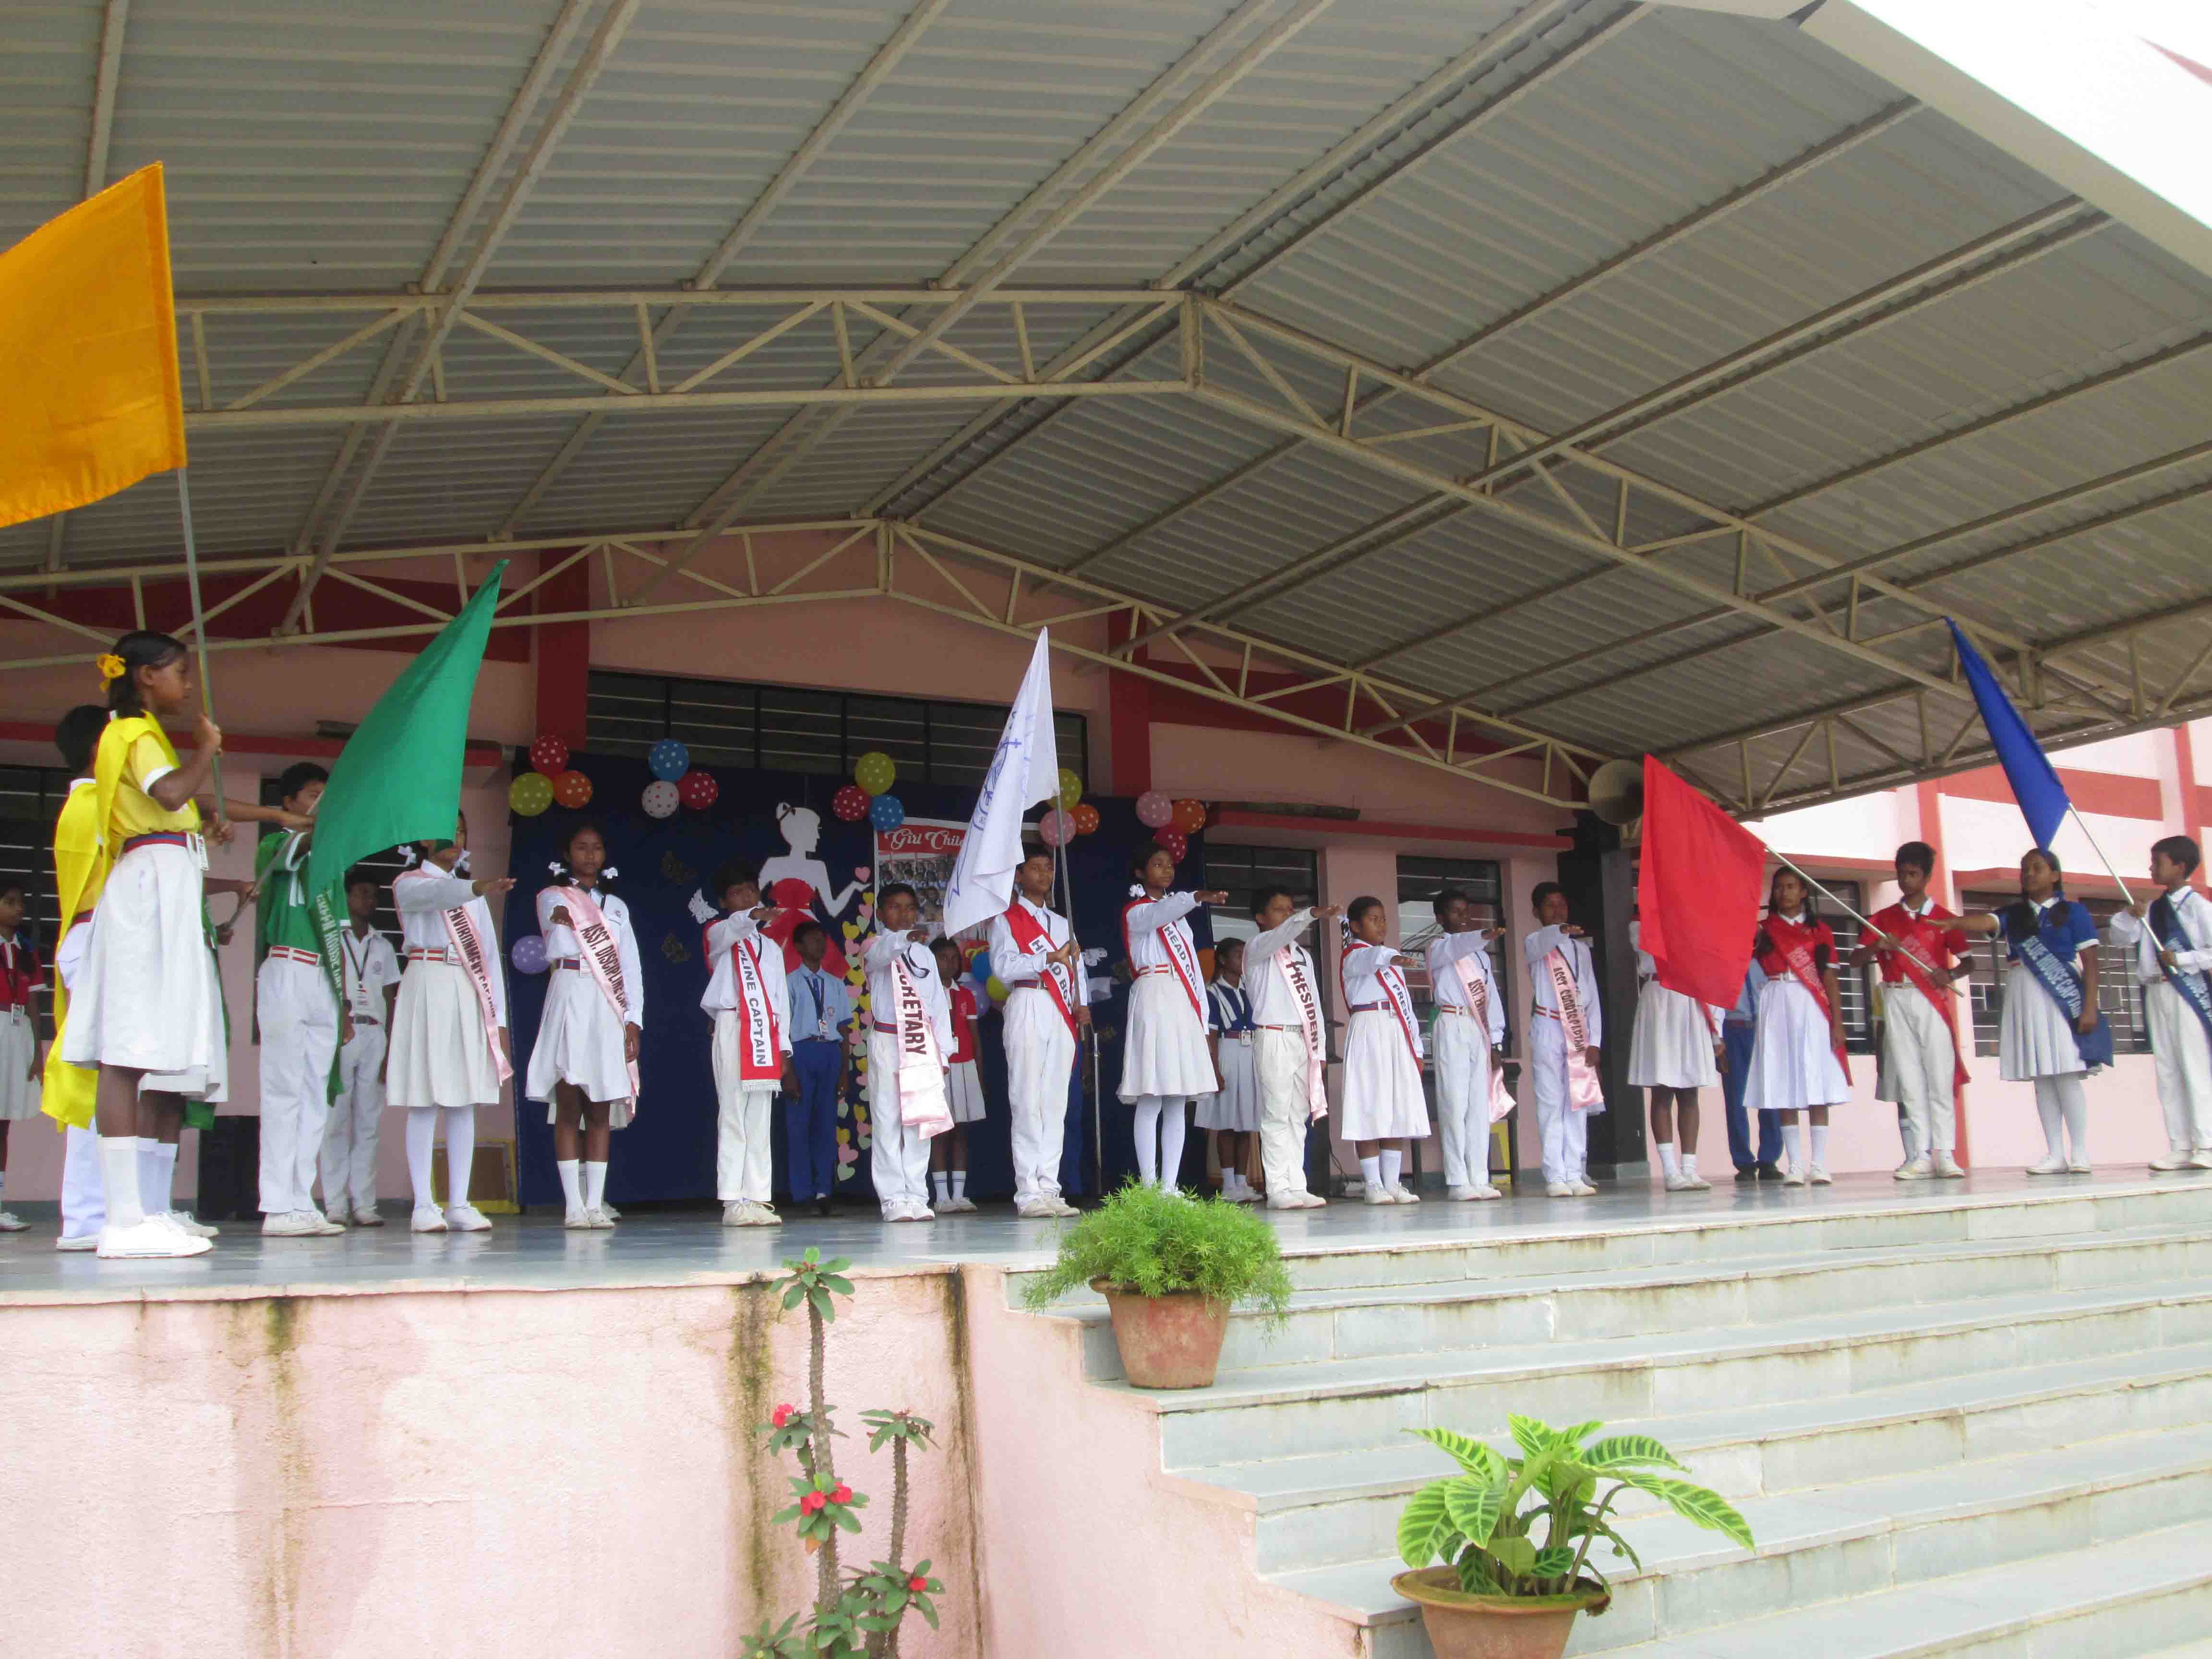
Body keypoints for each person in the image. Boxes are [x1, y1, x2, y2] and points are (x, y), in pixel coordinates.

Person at [60, 633, 302, 1258]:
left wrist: (204, 823)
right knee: (124, 1052)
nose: (187, 684)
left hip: (163, 886)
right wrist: (206, 751)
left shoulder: (143, 737)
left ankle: (142, 1212)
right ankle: (121, 1220)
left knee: (150, 1054)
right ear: (146, 676)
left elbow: (175, 806)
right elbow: (170, 795)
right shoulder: (133, 731)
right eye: (178, 672)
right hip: (146, 891)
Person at [389, 814, 515, 1231]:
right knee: (424, 1097)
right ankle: (423, 1205)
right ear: (425, 839)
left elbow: (490, 959)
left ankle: (459, 1203)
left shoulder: (474, 894)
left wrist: (498, 1020)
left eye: (461, 830)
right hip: (427, 982)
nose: (456, 837)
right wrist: (477, 887)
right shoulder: (409, 882)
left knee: (464, 1098)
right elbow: (437, 895)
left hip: (467, 987)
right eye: (446, 829)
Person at [1954, 849, 2110, 1174]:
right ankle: (2055, 1154)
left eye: (2037, 868)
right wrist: (1955, 921)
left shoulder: (2074, 912)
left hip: (2063, 996)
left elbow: (2092, 964)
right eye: (2024, 869)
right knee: (2043, 1077)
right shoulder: (2015, 914)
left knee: (2066, 1074)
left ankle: (2080, 1152)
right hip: (2025, 992)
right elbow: (1987, 923)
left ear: (2055, 875)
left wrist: (2090, 1007)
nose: (2028, 874)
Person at [530, 822, 643, 1229]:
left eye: (596, 847)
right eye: (581, 847)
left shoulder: (617, 908)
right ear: (567, 854)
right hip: (570, 993)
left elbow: (630, 968)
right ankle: (573, 1207)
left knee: (600, 1107)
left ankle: (595, 1205)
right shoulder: (553, 896)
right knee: (569, 1104)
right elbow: (555, 931)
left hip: (607, 1003)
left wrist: (633, 1021)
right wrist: (565, 918)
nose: (590, 854)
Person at [253, 762, 346, 1236]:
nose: (322, 804)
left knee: (315, 1093)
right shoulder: (275, 845)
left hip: (324, 980)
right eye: (314, 796)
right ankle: (276, 1205)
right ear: (289, 803)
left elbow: (340, 936)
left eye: (327, 796)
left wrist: (345, 1001)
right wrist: (321, 824)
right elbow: (298, 847)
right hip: (286, 968)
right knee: (284, 1088)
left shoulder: (332, 861)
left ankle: (301, 1199)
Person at [1852, 842, 1971, 1180]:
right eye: (1902, 874)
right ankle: (1920, 1154)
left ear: (1927, 876)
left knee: (1940, 1075)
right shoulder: (1882, 919)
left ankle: (1946, 1153)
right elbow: (1855, 959)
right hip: (1895, 997)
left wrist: (1949, 975)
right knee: (1908, 1075)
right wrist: (1878, 945)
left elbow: (1969, 962)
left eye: (1914, 874)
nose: (1907, 880)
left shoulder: (1944, 918)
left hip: (1930, 999)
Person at [1119, 842, 1227, 1191]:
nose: (1166, 870)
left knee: (1177, 1098)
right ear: (1140, 872)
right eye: (1157, 864)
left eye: (1169, 864)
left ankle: (1169, 1187)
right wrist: (1197, 896)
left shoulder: (1177, 919)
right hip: (1154, 994)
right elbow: (1160, 913)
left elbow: (1190, 961)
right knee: (1151, 1094)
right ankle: (1149, 1186)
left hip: (1181, 997)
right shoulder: (1137, 912)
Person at [988, 849, 1086, 1219]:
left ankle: (1050, 1187)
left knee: (1055, 1101)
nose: (1044, 874)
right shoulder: (1006, 920)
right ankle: (1029, 1191)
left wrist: (1081, 1001)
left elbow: (1077, 969)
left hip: (1060, 1009)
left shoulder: (1062, 923)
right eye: (1035, 868)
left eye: (1048, 868)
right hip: (1028, 999)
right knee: (1027, 1098)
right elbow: (1003, 968)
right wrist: (1047, 958)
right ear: (1020, 875)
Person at [697, 862, 794, 1226]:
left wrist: (784, 1047)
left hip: (765, 1033)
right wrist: (752, 916)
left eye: (752, 891)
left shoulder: (771, 948)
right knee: (733, 1112)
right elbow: (733, 928)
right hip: (733, 1025)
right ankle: (732, 1200)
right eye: (737, 893)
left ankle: (756, 1196)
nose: (747, 898)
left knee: (759, 1116)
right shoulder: (719, 935)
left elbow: (781, 1000)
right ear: (724, 902)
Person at [47, 705, 111, 1250]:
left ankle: (98, 1212)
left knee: (112, 1079)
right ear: (99, 749)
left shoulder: (94, 802)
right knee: (98, 1082)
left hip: (98, 941)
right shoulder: (92, 804)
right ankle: (88, 1217)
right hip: (96, 941)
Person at [2111, 835, 2212, 1172]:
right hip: (2155, 991)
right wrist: (2130, 915)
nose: (2152, 867)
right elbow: (2119, 937)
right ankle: (2180, 1145)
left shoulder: (2199, 908)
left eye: (2158, 862)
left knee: (2194, 1067)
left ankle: (2207, 1144)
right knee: (2167, 1070)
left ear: (2180, 867)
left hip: (2187, 991)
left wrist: (2182, 960)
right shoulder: (2152, 909)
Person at [1746, 869, 1851, 1186]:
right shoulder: (1764, 929)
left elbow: (1830, 978)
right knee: (1783, 1082)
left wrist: (1838, 1022)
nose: (1785, 893)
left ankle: (1819, 1164)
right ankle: (1794, 1165)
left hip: (1811, 1003)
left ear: (1804, 891)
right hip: (1776, 999)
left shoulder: (1820, 930)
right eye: (1779, 888)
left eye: (1791, 887)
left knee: (1816, 1081)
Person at [862, 883, 951, 1222]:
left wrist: (944, 1053)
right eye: (895, 907)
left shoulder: (925, 955)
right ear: (881, 913)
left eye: (910, 908)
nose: (903, 914)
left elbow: (938, 1005)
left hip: (922, 1044)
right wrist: (904, 939)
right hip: (888, 1040)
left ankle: (917, 1195)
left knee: (919, 1120)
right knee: (887, 1119)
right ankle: (893, 1198)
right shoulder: (876, 945)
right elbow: (881, 956)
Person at [1242, 889, 1335, 1210]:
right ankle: (1278, 1188)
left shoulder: (1302, 955)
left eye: (1290, 909)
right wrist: (1309, 915)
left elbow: (1315, 1004)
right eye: (1279, 909)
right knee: (1277, 1113)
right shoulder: (1258, 947)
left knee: (1299, 1114)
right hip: (1274, 1037)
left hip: (1303, 1040)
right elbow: (1281, 935)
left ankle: (1298, 1185)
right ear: (1260, 918)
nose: (1287, 914)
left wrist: (1320, 1051)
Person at [1338, 898, 1431, 1203]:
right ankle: (1373, 1185)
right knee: (1369, 1103)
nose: (1381, 925)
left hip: (1395, 1030)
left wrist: (1417, 1049)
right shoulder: (1353, 956)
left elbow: (1406, 1006)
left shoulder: (1391, 963)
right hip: (1369, 1028)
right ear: (1355, 926)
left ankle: (1392, 1183)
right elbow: (1373, 958)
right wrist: (1395, 957)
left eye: (1384, 919)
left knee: (1396, 1104)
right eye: (1373, 919)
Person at [321, 866, 399, 1226]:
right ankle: (335, 1205)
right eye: (362, 893)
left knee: (369, 1124)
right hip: (342, 1032)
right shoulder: (332, 940)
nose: (369, 901)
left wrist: (390, 1048)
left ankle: (364, 1205)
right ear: (347, 897)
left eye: (374, 895)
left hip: (374, 1034)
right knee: (336, 1122)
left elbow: (390, 997)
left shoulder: (383, 945)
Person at [1627, 917, 1722, 1193]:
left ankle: (1689, 1169)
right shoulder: (1641, 924)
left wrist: (1716, 1030)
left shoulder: (1694, 921)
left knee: (1690, 1091)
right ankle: (1670, 1170)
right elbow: (1646, 948)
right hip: (1660, 997)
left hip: (1692, 1000)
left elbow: (1710, 970)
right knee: (1663, 1089)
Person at [1424, 889, 1506, 1202]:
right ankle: (1458, 1180)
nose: (1462, 917)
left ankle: (1479, 1177)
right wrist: (1482, 936)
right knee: (1454, 1103)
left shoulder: (1481, 956)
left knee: (1478, 1106)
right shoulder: (1438, 947)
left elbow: (1491, 998)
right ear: (1440, 918)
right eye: (1455, 912)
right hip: (1451, 1023)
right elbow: (1457, 946)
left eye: (1466, 911)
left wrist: (1496, 1041)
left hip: (1477, 1027)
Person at [1524, 883, 1605, 1198]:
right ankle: (1555, 1175)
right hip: (1548, 1025)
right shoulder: (1536, 943)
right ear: (1536, 912)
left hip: (1578, 1030)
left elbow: (1592, 998)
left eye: (1562, 904)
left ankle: (1574, 1171)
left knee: (1578, 1102)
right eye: (1550, 905)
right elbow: (1548, 939)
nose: (1557, 911)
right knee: (1551, 1102)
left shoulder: (1581, 950)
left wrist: (1595, 1041)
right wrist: (1560, 931)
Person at [782, 918, 852, 1218]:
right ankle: (803, 1194)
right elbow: (782, 1030)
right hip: (801, 1051)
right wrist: (788, 1071)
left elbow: (845, 1031)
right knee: (799, 1125)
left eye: (822, 940)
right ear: (798, 947)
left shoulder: (835, 984)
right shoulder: (789, 983)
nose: (820, 945)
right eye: (812, 940)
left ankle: (824, 1192)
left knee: (826, 1125)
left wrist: (844, 1072)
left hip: (829, 1052)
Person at [759, 802, 865, 975]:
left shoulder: (818, 867)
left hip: (808, 930)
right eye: (814, 830)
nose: (817, 836)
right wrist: (765, 914)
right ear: (800, 833)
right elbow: (753, 896)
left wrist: (852, 887)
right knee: (771, 973)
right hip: (777, 928)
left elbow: (833, 908)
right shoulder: (774, 864)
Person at [1197, 937, 1260, 1202]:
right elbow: (1210, 1036)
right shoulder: (1212, 993)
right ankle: (1228, 1185)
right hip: (1227, 1051)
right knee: (1227, 1123)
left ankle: (1242, 1183)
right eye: (1237, 955)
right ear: (1222, 960)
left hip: (1250, 1052)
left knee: (1247, 1123)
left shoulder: (1250, 990)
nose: (1242, 960)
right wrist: (1214, 1070)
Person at [930, 938, 984, 1213]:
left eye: (954, 958)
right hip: (937, 1068)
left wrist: (980, 1074)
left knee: (961, 1131)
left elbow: (975, 1038)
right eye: (943, 958)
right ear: (931, 961)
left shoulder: (965, 995)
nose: (950, 963)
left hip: (964, 1066)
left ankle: (959, 1195)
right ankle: (941, 1197)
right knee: (939, 1132)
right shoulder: (927, 994)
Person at [0, 880, 41, 1231]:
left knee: (5, 1121)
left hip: (17, 1031)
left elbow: (35, 1002)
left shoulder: (26, 949)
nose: (18, 909)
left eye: (21, 903)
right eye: (9, 902)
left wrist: (37, 1051)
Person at [1719, 962, 1780, 1181]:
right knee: (1736, 1099)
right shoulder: (1724, 960)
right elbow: (1714, 1002)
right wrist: (1717, 1040)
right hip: (1734, 1030)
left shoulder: (1767, 958)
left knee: (1770, 1096)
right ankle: (1743, 1162)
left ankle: (1769, 1160)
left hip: (1764, 1029)